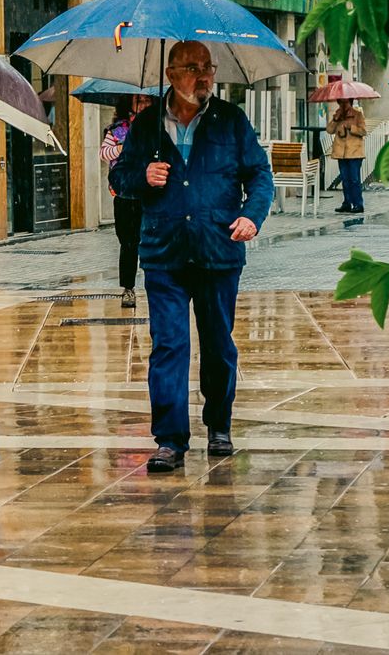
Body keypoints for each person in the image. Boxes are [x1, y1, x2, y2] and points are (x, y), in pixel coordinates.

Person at [112, 41, 274, 473]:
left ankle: (219, 426)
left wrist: (251, 216)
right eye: (192, 68)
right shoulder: (146, 125)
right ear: (170, 74)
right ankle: (169, 440)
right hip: (165, 254)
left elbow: (260, 174)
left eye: (208, 68)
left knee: (219, 346)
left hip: (218, 251)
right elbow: (119, 176)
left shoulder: (231, 121)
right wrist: (142, 176)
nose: (204, 77)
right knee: (169, 346)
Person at [101, 93, 156, 309]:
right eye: (138, 100)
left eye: (146, 100)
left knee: (151, 241)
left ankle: (155, 285)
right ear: (129, 103)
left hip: (149, 194)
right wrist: (124, 147)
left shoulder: (158, 128)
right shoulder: (118, 130)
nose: (142, 104)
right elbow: (105, 153)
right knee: (128, 243)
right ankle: (128, 289)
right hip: (124, 194)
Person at [327, 99, 367, 214]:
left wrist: (351, 127)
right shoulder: (337, 115)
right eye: (341, 103)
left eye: (345, 103)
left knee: (354, 179)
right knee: (345, 179)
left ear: (350, 103)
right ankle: (347, 203)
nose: (343, 106)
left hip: (354, 153)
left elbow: (364, 131)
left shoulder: (358, 115)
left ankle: (358, 204)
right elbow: (329, 130)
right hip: (341, 153)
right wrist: (335, 119)